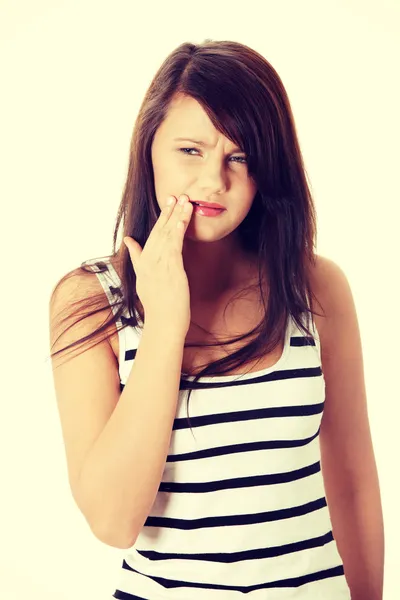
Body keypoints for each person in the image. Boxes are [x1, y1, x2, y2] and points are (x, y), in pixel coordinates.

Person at [48, 39, 384, 599]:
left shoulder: (317, 286)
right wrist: (164, 324)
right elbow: (112, 521)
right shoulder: (89, 301)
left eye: (240, 156)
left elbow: (351, 483)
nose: (213, 182)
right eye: (191, 151)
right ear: (149, 147)